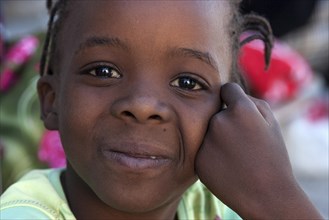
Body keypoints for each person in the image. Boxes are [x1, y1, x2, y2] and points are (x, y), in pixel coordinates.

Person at [0, 1, 323, 219]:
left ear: (231, 109)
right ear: (51, 99)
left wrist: (274, 198)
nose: (142, 106)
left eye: (187, 82)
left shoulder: (220, 208)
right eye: (103, 72)